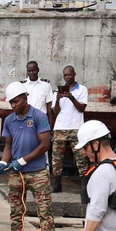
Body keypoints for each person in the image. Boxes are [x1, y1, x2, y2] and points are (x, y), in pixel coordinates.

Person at [0, 81, 55, 231]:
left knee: (45, 210)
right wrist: (3, 161)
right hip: (16, 174)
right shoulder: (10, 120)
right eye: (11, 102)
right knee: (15, 211)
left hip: (37, 172)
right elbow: (9, 145)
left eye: (17, 101)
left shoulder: (39, 116)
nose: (13, 105)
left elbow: (45, 145)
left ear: (25, 97)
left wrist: (22, 160)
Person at [50, 65, 89, 193]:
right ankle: (57, 184)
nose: (67, 77)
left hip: (76, 128)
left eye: (69, 75)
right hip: (60, 127)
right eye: (65, 75)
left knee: (81, 158)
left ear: (74, 74)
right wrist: (57, 100)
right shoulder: (58, 90)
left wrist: (71, 97)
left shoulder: (82, 89)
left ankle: (84, 186)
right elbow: (55, 112)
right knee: (57, 158)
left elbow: (82, 108)